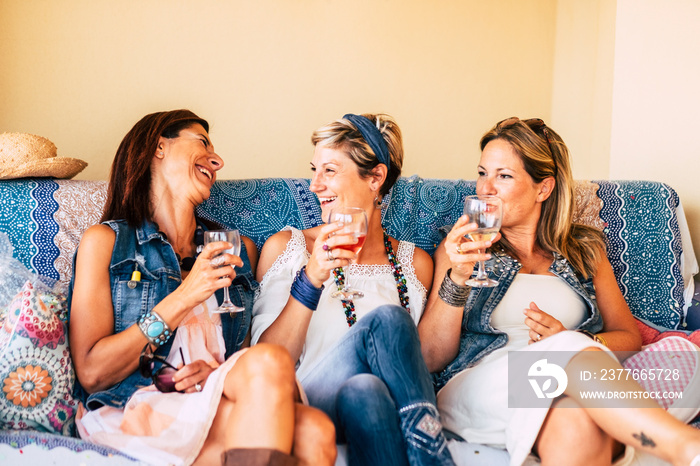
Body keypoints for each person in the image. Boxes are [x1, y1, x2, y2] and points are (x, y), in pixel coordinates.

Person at [418, 117, 700, 466]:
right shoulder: (459, 246)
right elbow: (429, 356)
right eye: (482, 173)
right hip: (483, 384)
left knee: (578, 416)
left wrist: (577, 339)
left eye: (503, 176)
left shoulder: (584, 250)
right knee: (568, 357)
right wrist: (457, 279)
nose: (485, 188)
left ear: (543, 188)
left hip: (573, 381)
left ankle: (625, 425)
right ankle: (682, 446)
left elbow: (629, 337)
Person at [68, 110, 336, 466]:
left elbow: (246, 362)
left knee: (317, 428)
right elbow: (92, 372)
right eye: (203, 142)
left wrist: (214, 373)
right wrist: (185, 295)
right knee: (310, 429)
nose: (217, 159)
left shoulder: (233, 250)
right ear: (159, 146)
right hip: (136, 405)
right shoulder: (106, 242)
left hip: (210, 397)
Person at [252, 113, 455, 466]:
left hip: (379, 404)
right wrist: (311, 279)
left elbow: (421, 361)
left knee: (367, 390)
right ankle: (433, 456)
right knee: (388, 318)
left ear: (376, 176)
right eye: (314, 169)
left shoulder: (414, 263)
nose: (314, 185)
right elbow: (268, 361)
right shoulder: (289, 247)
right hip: (310, 399)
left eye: (329, 171)